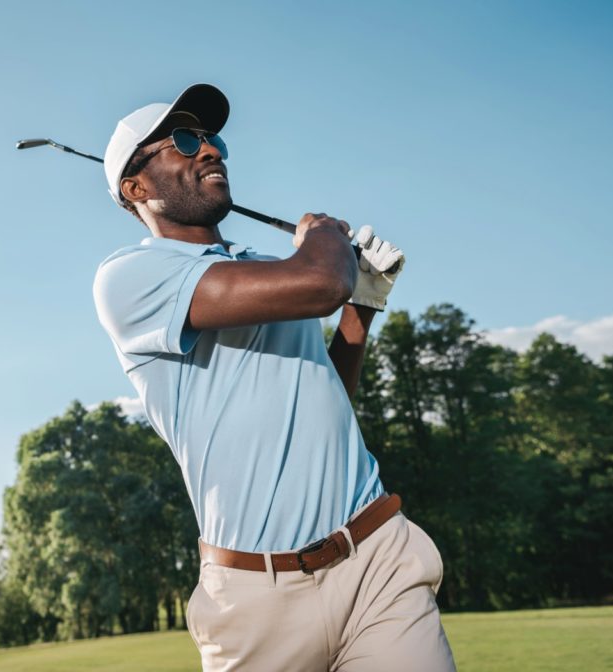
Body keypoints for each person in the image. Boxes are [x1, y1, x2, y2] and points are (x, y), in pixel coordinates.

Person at [92, 83, 455, 672]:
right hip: (256, 597)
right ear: (136, 188)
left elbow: (324, 394)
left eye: (213, 140)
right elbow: (319, 285)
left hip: (377, 559)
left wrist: (361, 305)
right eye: (184, 141)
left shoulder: (268, 271)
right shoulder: (130, 277)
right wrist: (325, 239)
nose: (209, 150)